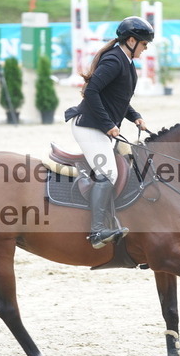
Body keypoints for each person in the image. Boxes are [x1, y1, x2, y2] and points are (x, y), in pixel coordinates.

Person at [64, 16, 154, 249]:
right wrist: (108, 125)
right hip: (89, 126)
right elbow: (91, 91)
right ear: (132, 41)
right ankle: (96, 232)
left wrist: (135, 116)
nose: (145, 49)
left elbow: (117, 98)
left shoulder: (126, 60)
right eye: (144, 44)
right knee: (108, 174)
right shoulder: (115, 60)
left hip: (99, 126)